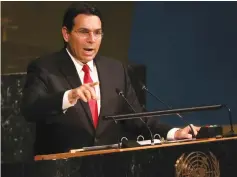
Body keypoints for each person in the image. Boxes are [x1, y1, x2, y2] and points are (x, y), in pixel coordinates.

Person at [21, 2, 200, 155]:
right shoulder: (45, 68)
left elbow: (136, 119)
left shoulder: (115, 69)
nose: (92, 39)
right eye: (84, 32)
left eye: (97, 33)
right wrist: (69, 96)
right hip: (62, 169)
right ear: (66, 34)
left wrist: (174, 133)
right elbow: (31, 108)